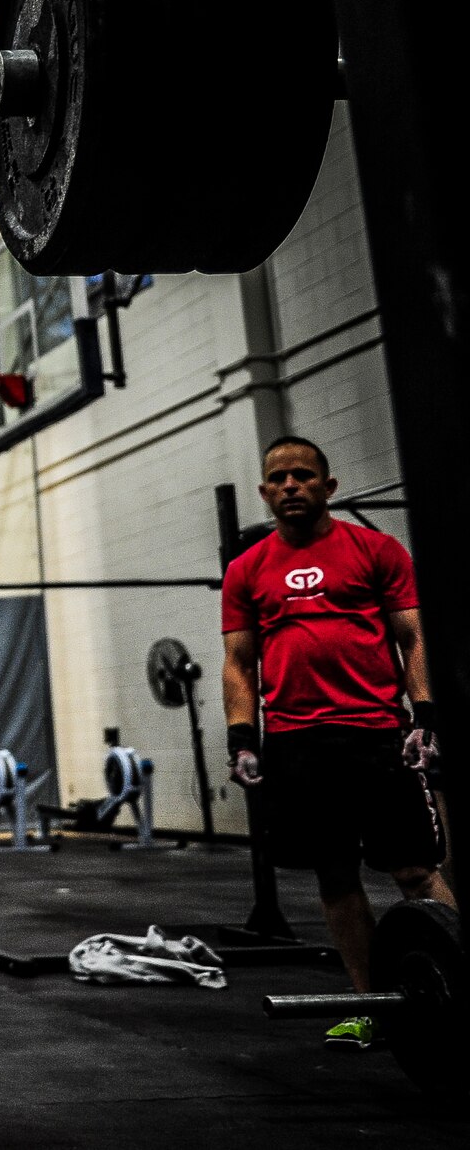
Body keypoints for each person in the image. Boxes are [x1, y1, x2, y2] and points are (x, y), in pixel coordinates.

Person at [222, 434, 455, 1051]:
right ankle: (369, 1006)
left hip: (377, 733)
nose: (291, 485)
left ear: (329, 487)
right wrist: (242, 738)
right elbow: (239, 662)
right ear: (265, 492)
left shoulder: (376, 549)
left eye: (303, 475)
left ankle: (464, 988)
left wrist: (424, 714)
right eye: (279, 477)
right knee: (334, 876)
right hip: (297, 744)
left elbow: (414, 637)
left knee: (416, 870)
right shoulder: (246, 570)